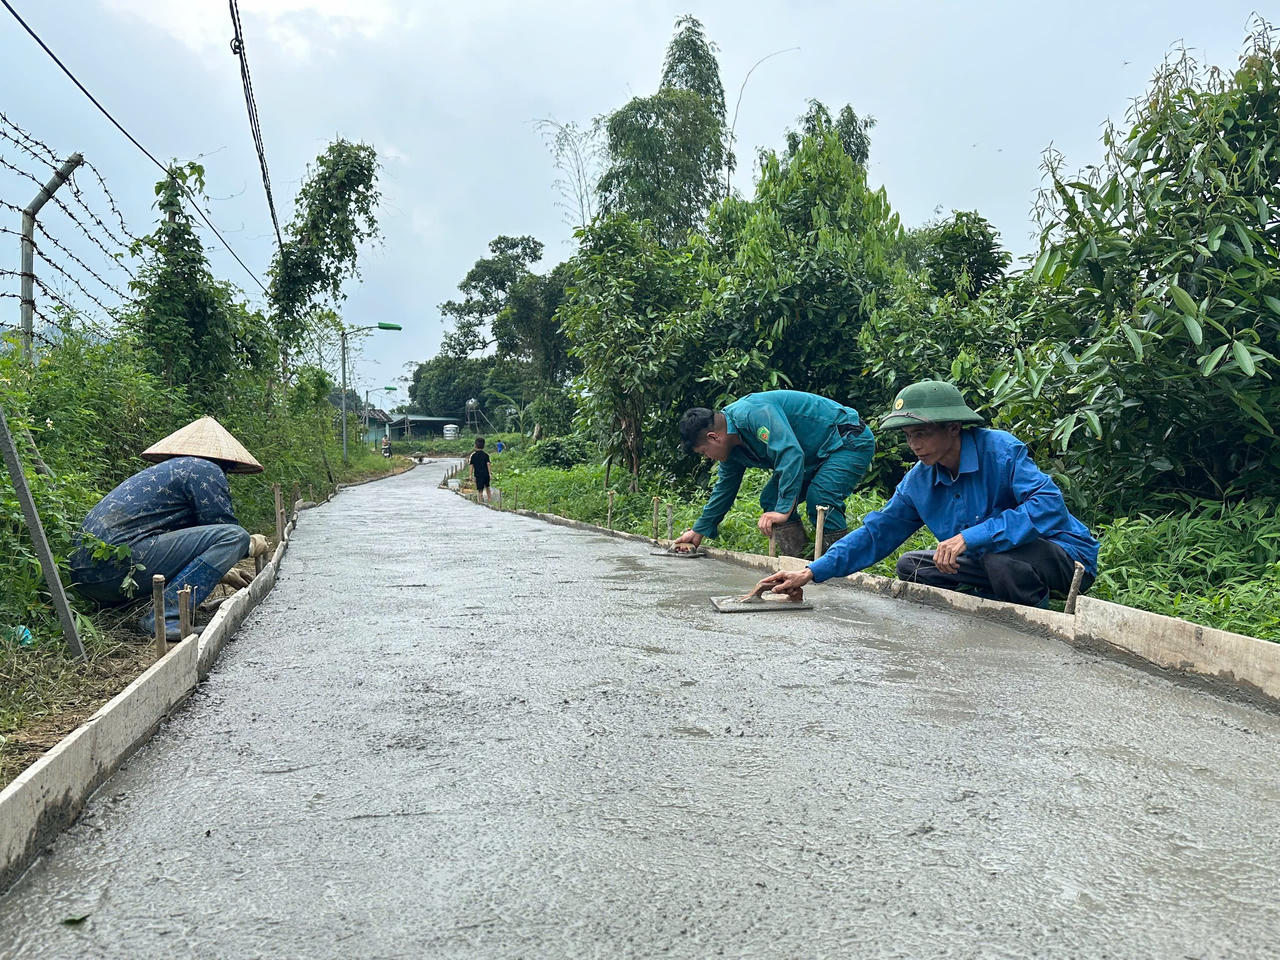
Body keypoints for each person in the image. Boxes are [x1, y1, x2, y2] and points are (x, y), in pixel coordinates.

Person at [759, 380, 1100, 609]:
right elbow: (877, 533)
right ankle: (984, 602)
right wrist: (811, 572)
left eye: (921, 433)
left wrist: (971, 537)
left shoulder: (1000, 450)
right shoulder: (919, 481)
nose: (914, 444)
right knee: (913, 566)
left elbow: (1048, 506)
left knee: (1001, 560)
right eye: (908, 436)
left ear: (953, 427)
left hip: (1061, 555)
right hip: (989, 560)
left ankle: (1032, 617)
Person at [70, 416, 270, 639]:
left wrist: (221, 572)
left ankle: (136, 611)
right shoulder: (205, 469)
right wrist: (251, 544)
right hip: (119, 567)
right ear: (227, 462)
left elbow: (182, 541)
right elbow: (223, 530)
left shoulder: (168, 472)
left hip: (85, 578)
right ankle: (165, 618)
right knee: (236, 536)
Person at [673, 390, 876, 558]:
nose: (708, 457)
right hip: (812, 454)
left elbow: (790, 453)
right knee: (771, 500)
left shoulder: (753, 414)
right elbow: (724, 489)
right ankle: (800, 565)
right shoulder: (730, 448)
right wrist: (699, 530)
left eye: (704, 452)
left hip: (846, 439)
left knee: (821, 498)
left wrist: (784, 509)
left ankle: (842, 565)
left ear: (713, 437)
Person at [469, 437, 492, 504]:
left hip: (478, 475)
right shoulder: (486, 455)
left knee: (480, 490)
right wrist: (490, 474)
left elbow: (471, 466)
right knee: (487, 487)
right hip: (486, 474)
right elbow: (488, 464)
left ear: (475, 445)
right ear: (484, 446)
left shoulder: (473, 455)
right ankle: (489, 501)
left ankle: (480, 502)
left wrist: (470, 475)